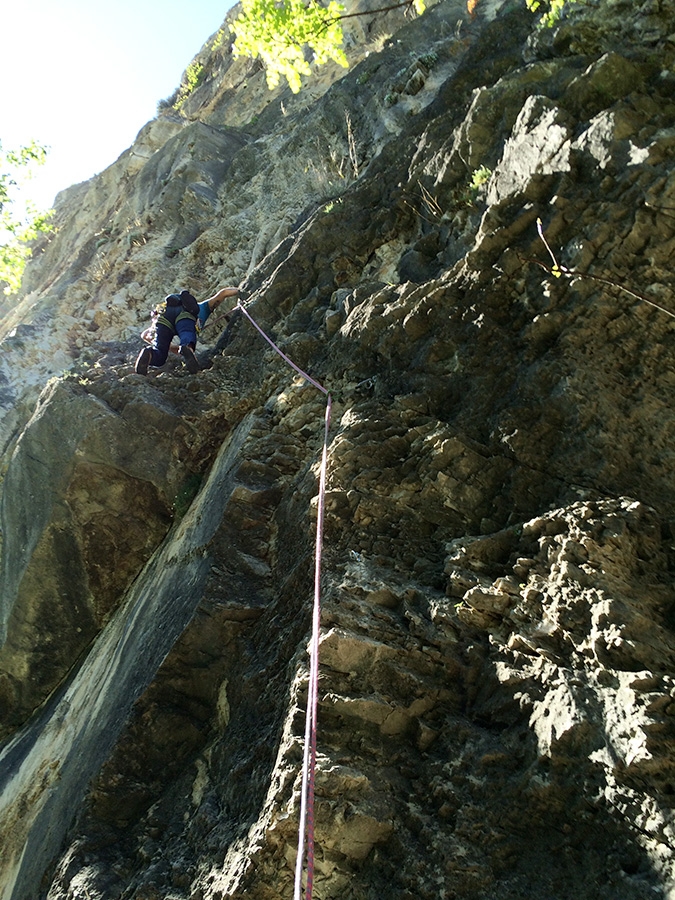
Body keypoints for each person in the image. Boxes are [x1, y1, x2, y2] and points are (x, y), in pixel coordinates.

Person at [135, 286, 239, 375]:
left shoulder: (171, 309)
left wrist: (169, 347)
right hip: (184, 315)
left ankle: (149, 353)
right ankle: (187, 346)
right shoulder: (204, 307)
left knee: (160, 355)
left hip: (164, 316)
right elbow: (224, 293)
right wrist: (241, 291)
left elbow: (145, 335)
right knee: (187, 333)